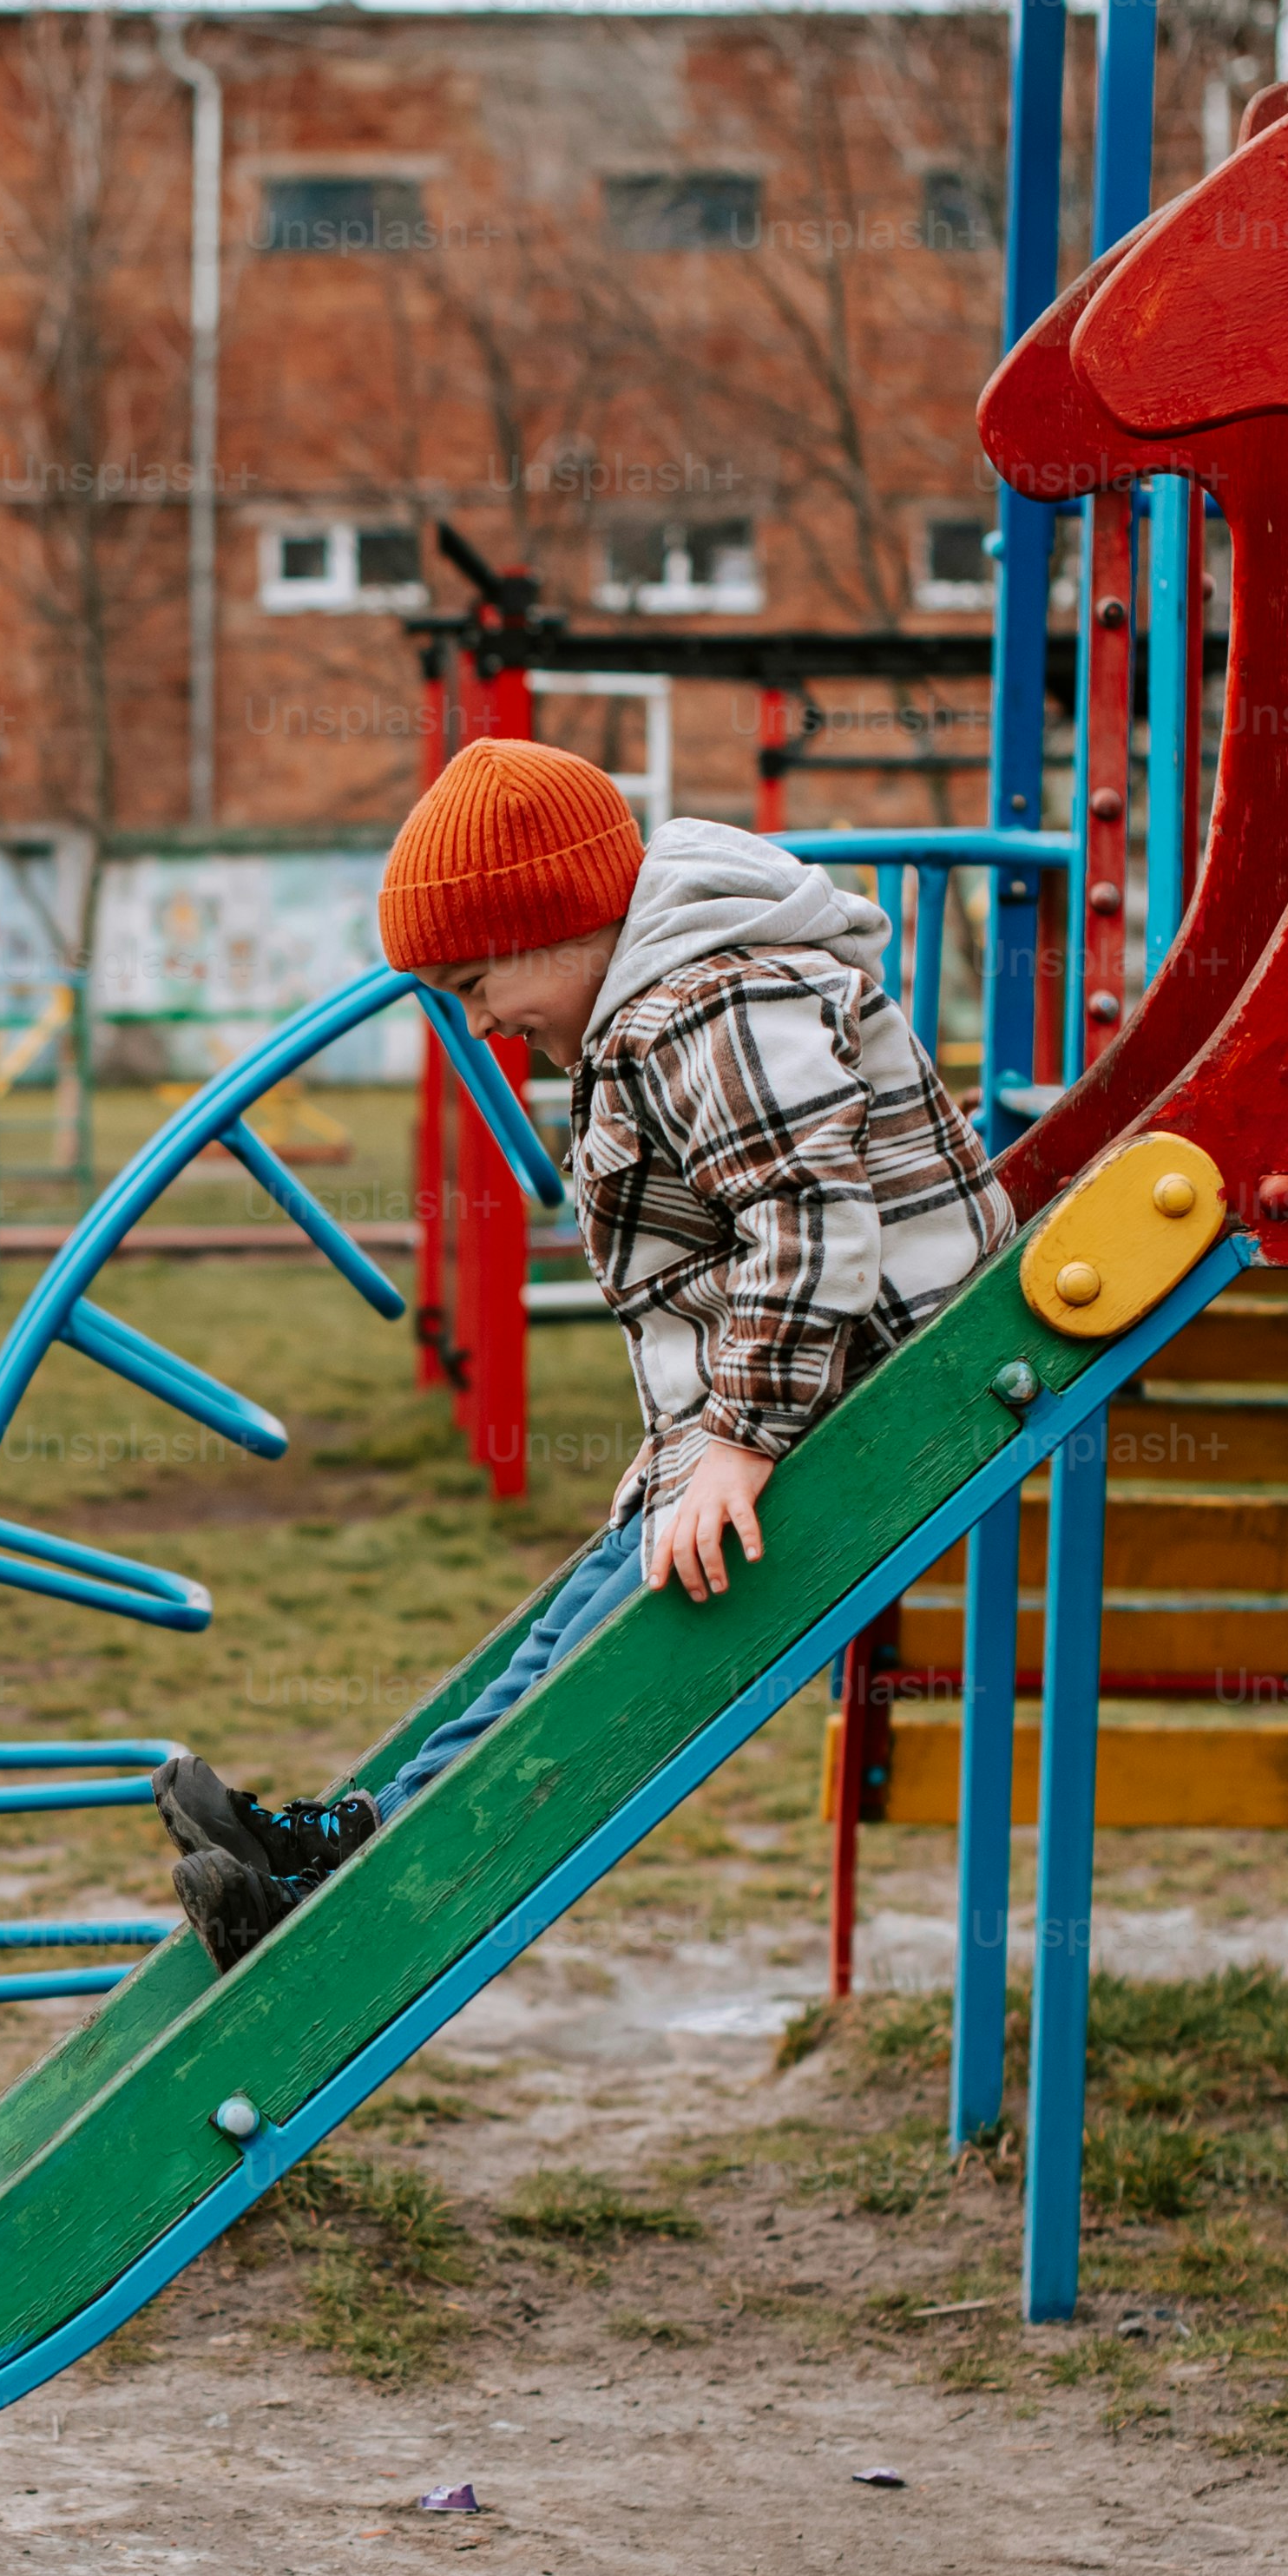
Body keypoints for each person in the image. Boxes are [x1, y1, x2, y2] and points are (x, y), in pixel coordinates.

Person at [166, 741, 1011, 1968]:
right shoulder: (653, 1005)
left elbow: (807, 1213)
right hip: (796, 1399)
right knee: (557, 1645)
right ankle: (347, 1841)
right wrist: (693, 1443)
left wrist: (733, 1441)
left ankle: (347, 1892)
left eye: (473, 982)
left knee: (598, 1666)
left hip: (867, 1397)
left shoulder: (706, 1003)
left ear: (558, 923)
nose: (479, 1023)